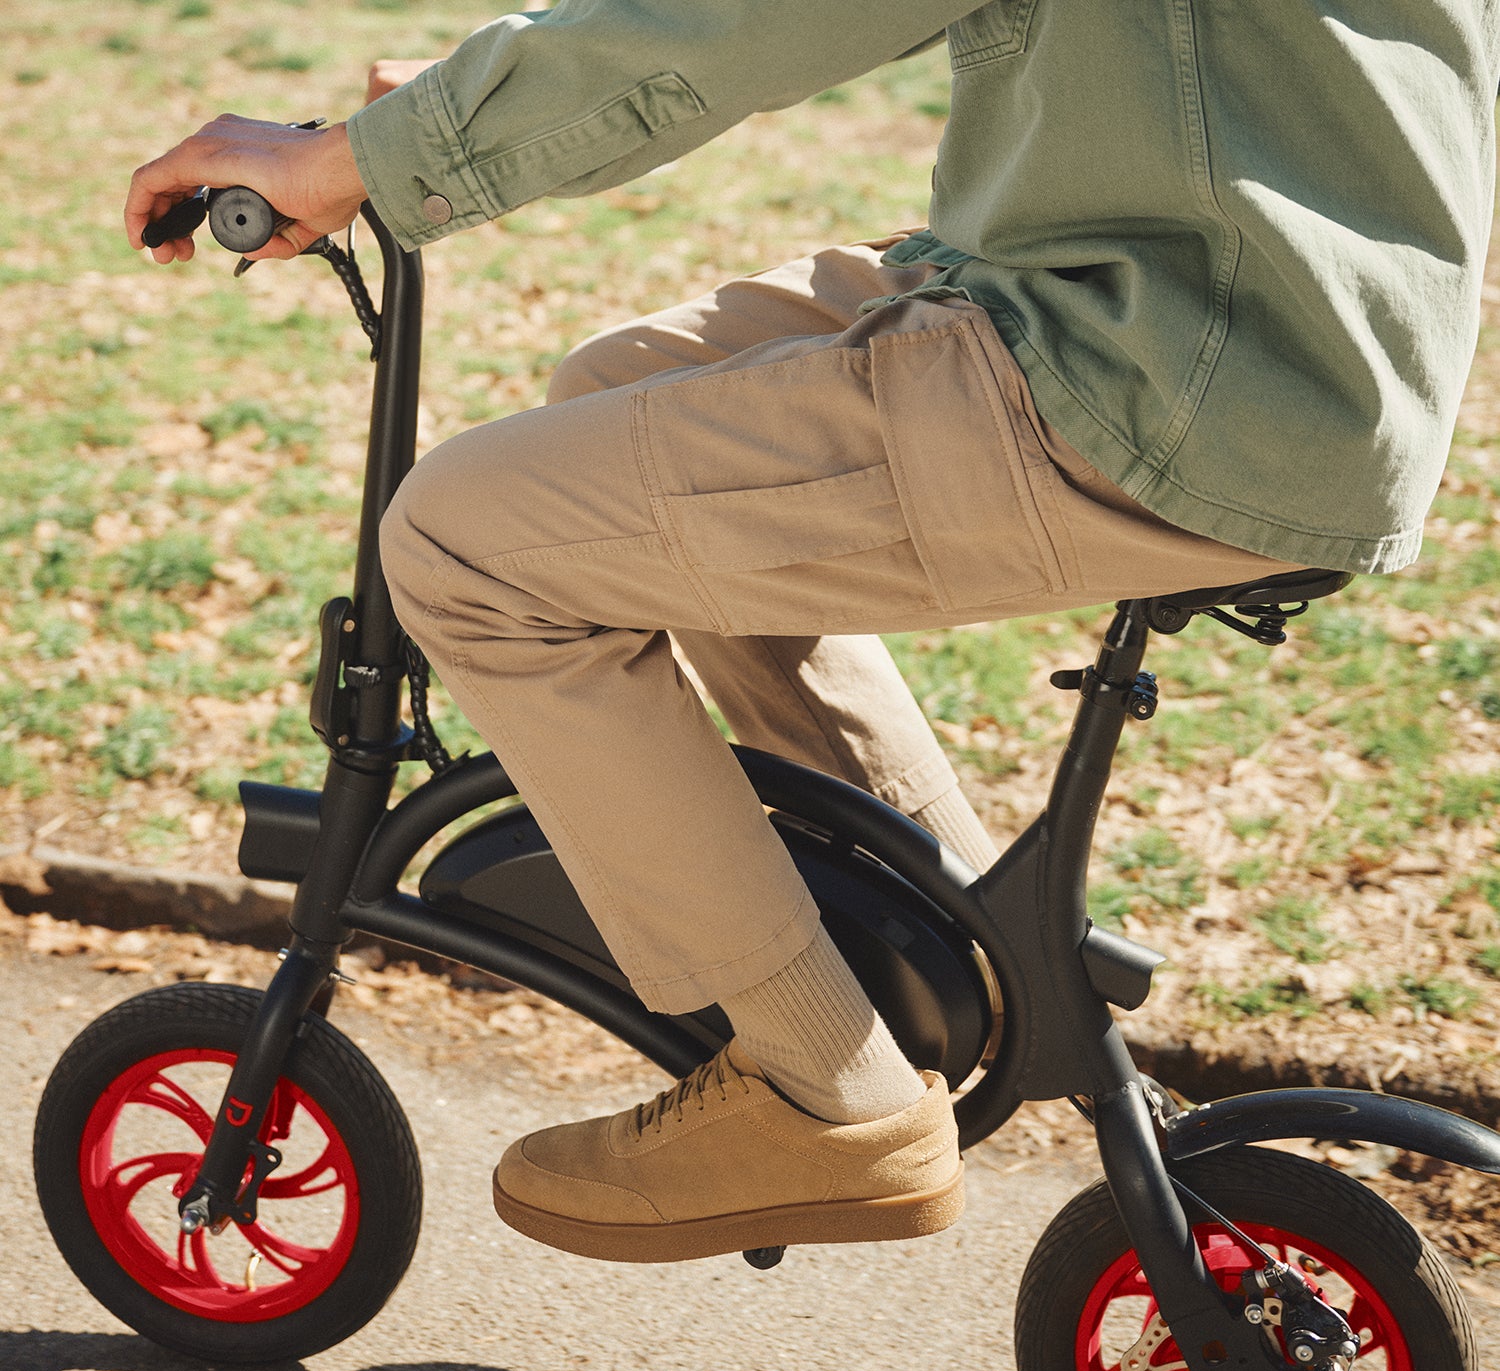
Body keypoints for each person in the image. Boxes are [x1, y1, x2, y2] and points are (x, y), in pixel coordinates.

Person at [127, 1, 1499, 1265]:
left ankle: (824, 1089)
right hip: (1264, 323)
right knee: (617, 389)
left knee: (461, 545)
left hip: (1157, 357)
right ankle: (960, 963)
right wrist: (473, 94)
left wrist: (382, 153)